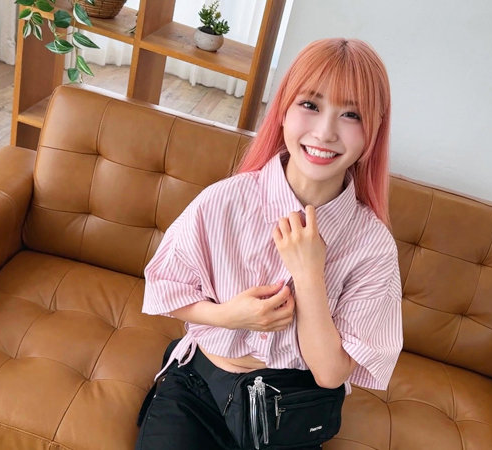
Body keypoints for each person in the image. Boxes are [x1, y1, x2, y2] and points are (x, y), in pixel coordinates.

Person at [137, 38, 402, 450]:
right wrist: (230, 315)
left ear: (374, 129)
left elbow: (331, 374)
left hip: (290, 409)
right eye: (310, 105)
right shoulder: (225, 199)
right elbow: (165, 289)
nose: (325, 132)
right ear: (283, 110)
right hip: (198, 389)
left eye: (351, 114)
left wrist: (309, 275)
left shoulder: (373, 247)